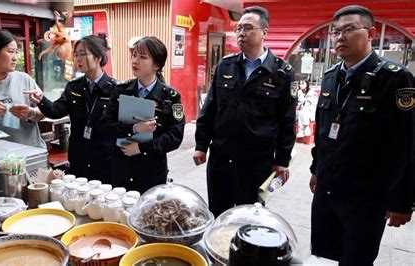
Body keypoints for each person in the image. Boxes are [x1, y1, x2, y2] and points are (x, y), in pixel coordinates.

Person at [309, 5, 414, 265]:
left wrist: (402, 201)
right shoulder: (332, 76)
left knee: (356, 259)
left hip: (366, 198)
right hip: (329, 191)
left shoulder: (396, 79)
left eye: (349, 29)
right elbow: (323, 128)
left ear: (371, 33)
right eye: (335, 32)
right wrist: (315, 168)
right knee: (325, 255)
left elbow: (408, 144)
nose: (339, 37)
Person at [193, 6, 296, 216]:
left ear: (264, 32)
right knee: (218, 213)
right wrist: (201, 145)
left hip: (256, 161)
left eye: (248, 28)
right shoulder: (226, 65)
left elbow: (287, 119)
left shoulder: (281, 72)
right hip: (222, 157)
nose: (241, 33)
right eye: (239, 28)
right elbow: (210, 108)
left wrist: (282, 160)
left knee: (249, 216)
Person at [27, 34, 115, 182]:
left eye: (83, 54)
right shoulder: (74, 86)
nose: (78, 59)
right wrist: (41, 100)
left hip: (105, 159)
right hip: (78, 156)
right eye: (76, 54)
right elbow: (56, 111)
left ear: (98, 57)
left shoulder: (115, 90)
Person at [101, 36, 185, 193]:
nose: (135, 60)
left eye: (142, 57)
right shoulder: (120, 91)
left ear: (157, 65)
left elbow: (175, 136)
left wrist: (142, 148)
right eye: (134, 55)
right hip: (121, 167)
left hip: (152, 170)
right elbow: (105, 125)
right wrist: (134, 129)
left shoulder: (171, 96)